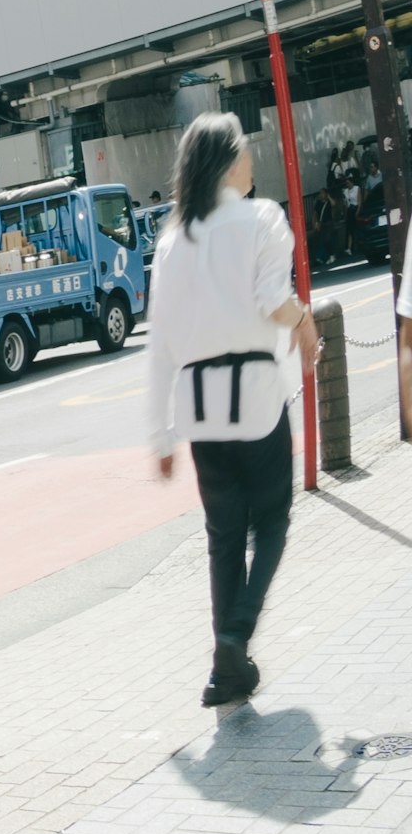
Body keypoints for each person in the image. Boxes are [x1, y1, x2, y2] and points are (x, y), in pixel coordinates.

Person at [146, 113, 313, 708]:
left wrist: (160, 435)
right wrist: (306, 321)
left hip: (198, 407)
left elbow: (159, 342)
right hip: (255, 397)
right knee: (271, 522)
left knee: (223, 538)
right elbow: (273, 301)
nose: (251, 159)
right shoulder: (261, 218)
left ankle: (227, 673)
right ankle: (234, 637)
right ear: (225, 163)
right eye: (244, 150)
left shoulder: (170, 241)